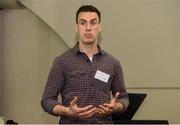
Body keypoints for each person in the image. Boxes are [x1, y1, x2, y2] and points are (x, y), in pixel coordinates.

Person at [41, 5, 129, 124]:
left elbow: (124, 98)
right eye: (83, 23)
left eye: (93, 23)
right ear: (76, 27)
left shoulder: (113, 63)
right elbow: (47, 100)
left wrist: (116, 107)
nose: (88, 28)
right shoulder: (62, 61)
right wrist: (67, 111)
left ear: (99, 27)